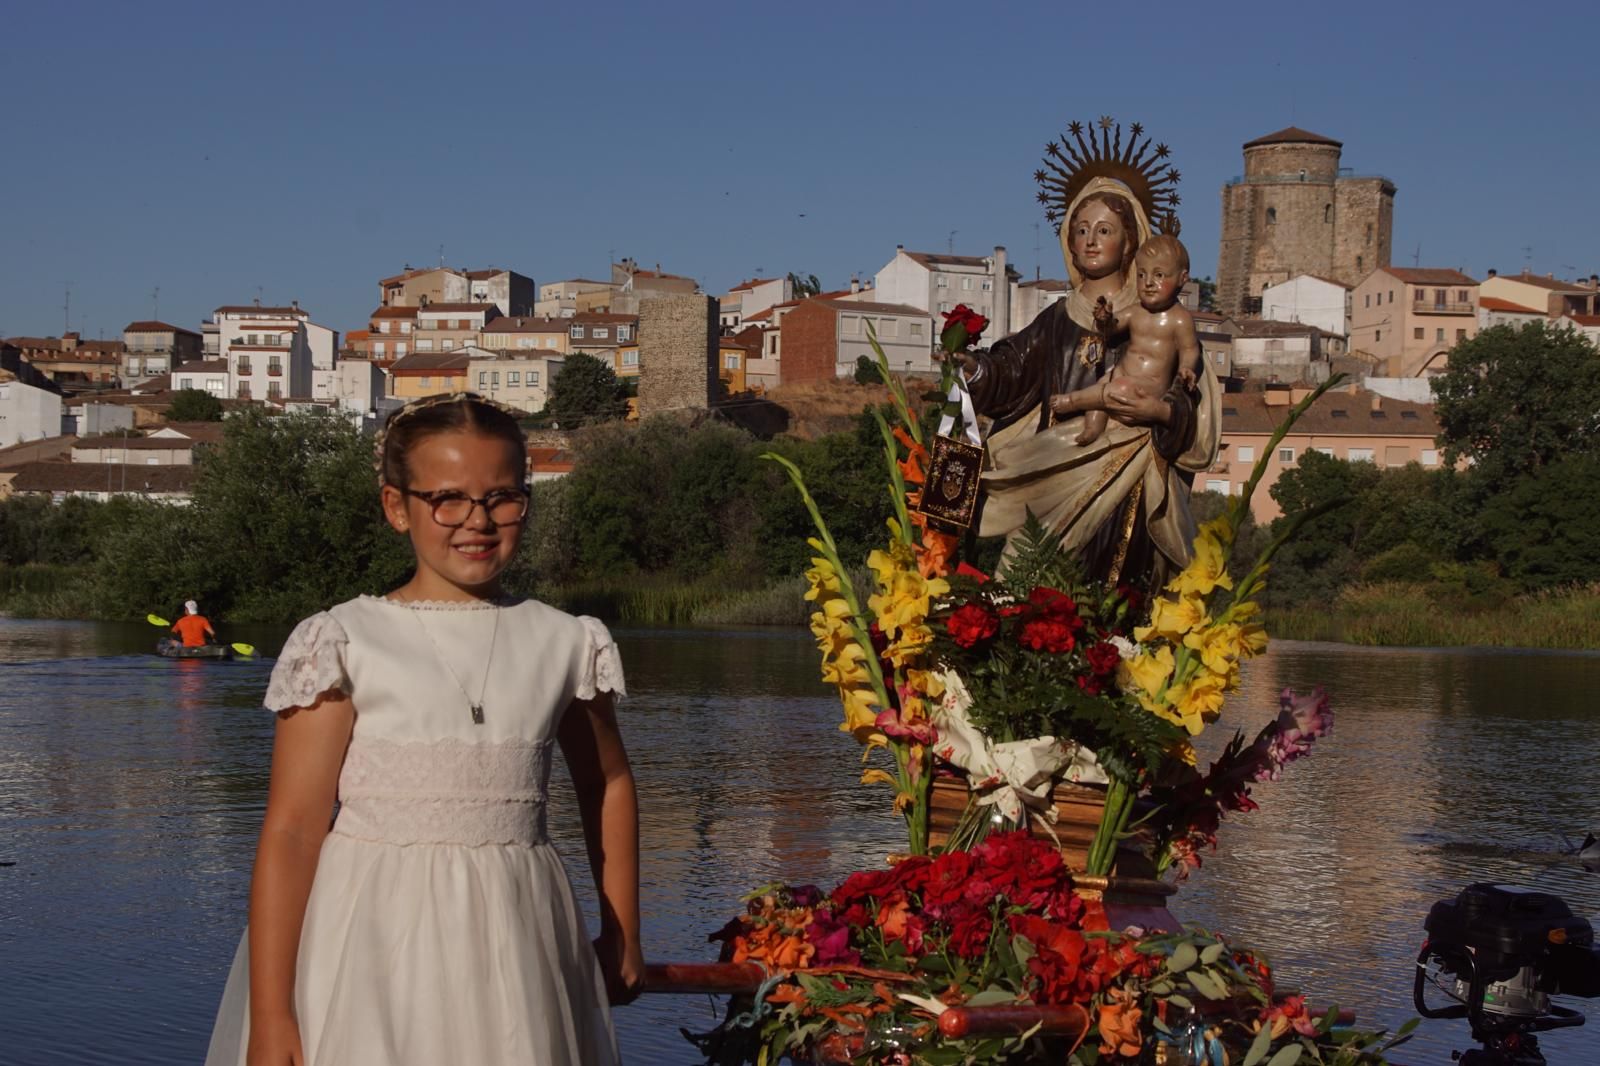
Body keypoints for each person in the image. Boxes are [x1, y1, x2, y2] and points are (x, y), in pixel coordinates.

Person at [206, 392, 642, 1066]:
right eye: (448, 498)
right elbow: (292, 832)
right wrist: (271, 1016)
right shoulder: (345, 640)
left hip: (520, 940)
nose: (478, 521)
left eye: (502, 497)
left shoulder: (565, 642)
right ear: (396, 507)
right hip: (368, 949)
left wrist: (622, 931)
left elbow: (607, 781)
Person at [942, 175, 1220, 588]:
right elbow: (1012, 369)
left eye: (1104, 230)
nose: (1091, 240)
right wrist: (975, 369)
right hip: (1057, 461)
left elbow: (1191, 397)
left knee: (1113, 595)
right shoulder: (1056, 320)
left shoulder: (1160, 320)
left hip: (1129, 473)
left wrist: (1158, 411)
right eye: (1081, 229)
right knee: (1034, 589)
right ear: (1068, 242)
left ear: (1130, 241)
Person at [1054, 235, 1201, 447]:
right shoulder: (1136, 311)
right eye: (1142, 275)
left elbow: (1189, 349)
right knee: (1103, 385)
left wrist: (1187, 369)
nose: (1148, 282)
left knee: (1112, 389)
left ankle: (1072, 401)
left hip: (1148, 387)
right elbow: (1111, 329)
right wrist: (1104, 319)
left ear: (1182, 278)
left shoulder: (1180, 319)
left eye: (1159, 275)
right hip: (1120, 375)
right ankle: (1092, 429)